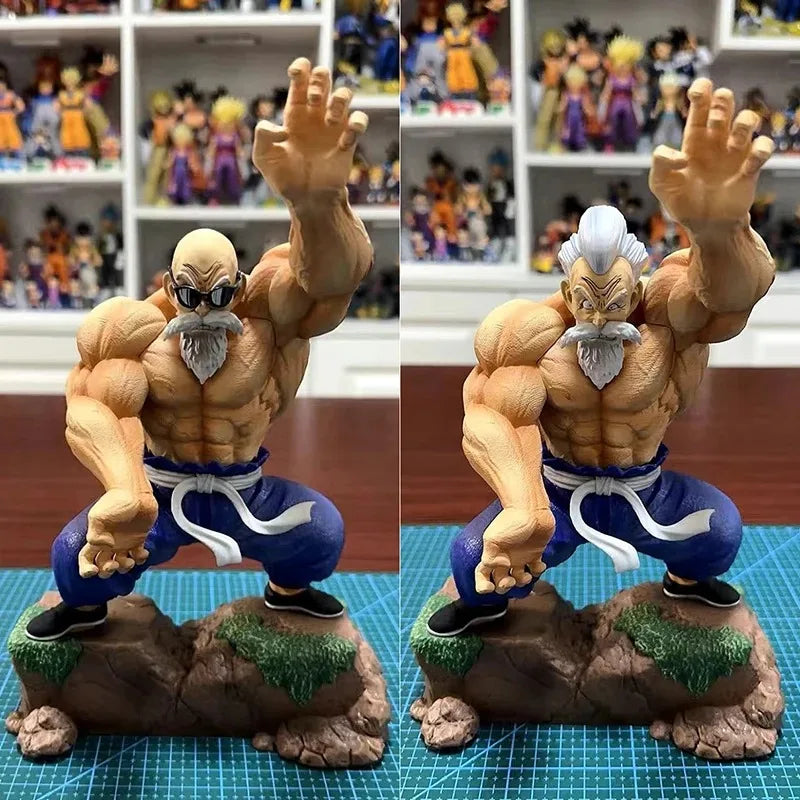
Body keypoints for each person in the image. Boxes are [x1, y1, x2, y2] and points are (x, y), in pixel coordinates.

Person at [26, 60, 373, 641]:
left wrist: (317, 204)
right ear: (169, 286)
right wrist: (123, 491)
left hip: (246, 491)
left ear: (238, 287)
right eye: (191, 295)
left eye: (220, 296)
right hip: (156, 497)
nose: (207, 311)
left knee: (322, 533)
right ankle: (86, 613)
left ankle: (287, 591)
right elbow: (88, 405)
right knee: (74, 559)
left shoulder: (266, 317)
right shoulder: (136, 331)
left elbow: (330, 284)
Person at [428, 79, 777, 636]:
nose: (596, 318)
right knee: (473, 561)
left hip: (646, 491)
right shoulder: (530, 337)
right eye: (585, 302)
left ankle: (686, 583)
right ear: (567, 293)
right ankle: (486, 612)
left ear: (635, 292)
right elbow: (491, 415)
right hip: (556, 498)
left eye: (612, 303)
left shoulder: (666, 320)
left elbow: (728, 299)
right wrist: (520, 505)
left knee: (721, 533)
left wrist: (720, 233)